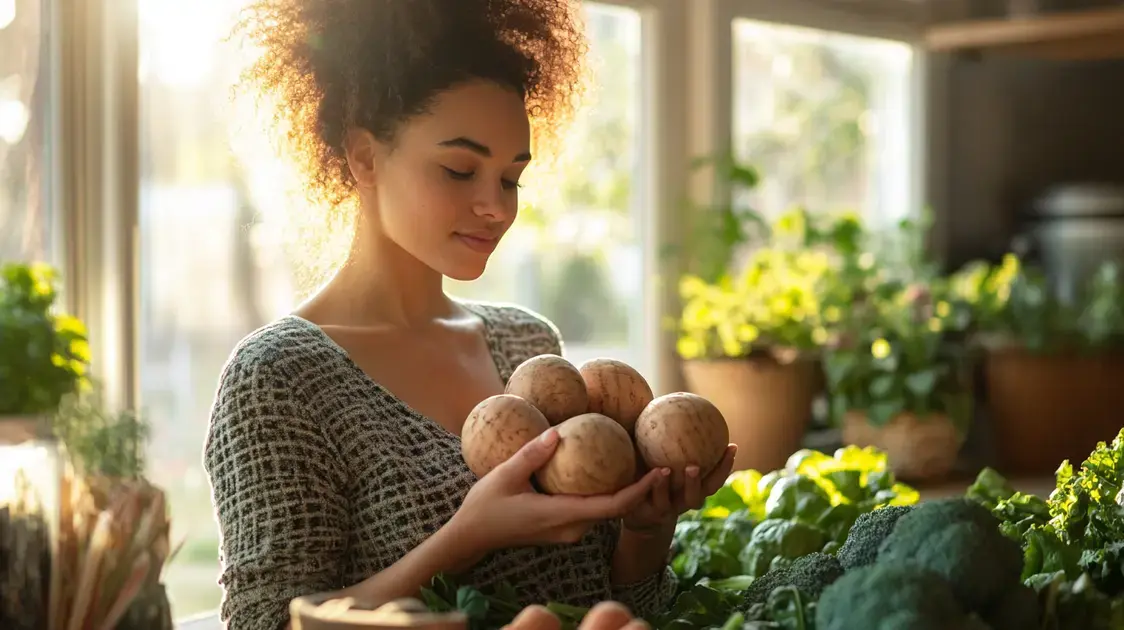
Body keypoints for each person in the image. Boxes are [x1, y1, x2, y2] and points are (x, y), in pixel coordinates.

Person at [203, 1, 737, 629]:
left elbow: (608, 606)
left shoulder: (527, 343)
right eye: (460, 169)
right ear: (366, 157)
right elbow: (263, 623)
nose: (495, 208)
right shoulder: (280, 379)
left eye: (511, 179)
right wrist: (464, 536)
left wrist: (647, 530)